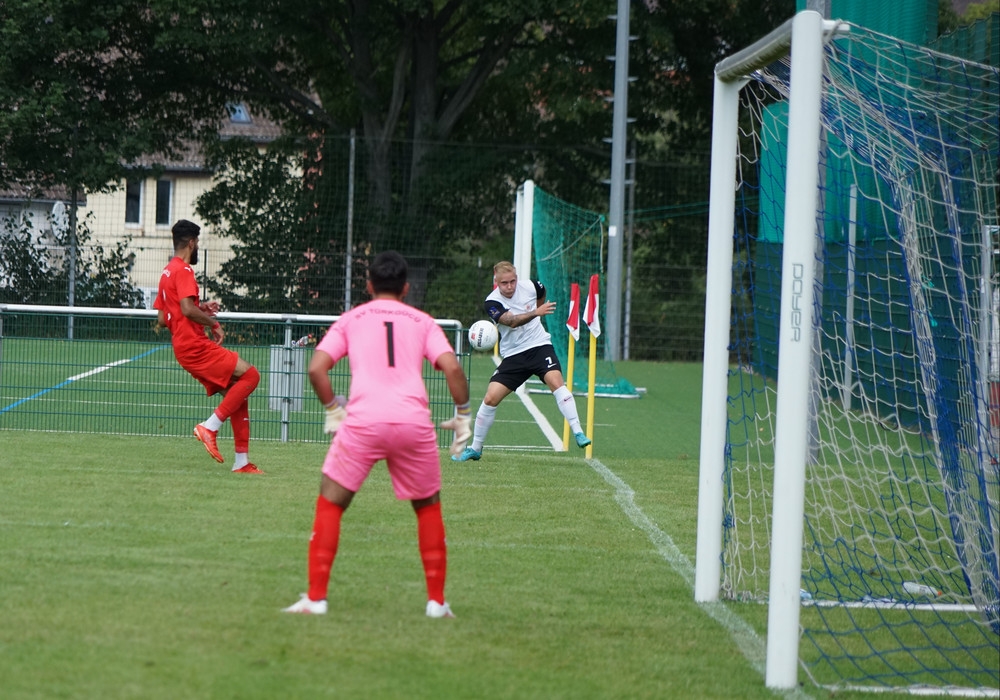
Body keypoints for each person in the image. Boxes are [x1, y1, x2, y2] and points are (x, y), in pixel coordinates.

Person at [282, 251, 472, 617]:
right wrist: (463, 416)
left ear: (369, 286)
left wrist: (334, 411)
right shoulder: (423, 321)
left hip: (364, 421)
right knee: (428, 507)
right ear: (406, 288)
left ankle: (316, 599)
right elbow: (452, 368)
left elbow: (317, 368)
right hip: (412, 422)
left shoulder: (352, 319)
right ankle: (436, 603)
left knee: (331, 502)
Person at [453, 260, 591, 462]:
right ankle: (475, 448)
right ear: (496, 282)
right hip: (514, 355)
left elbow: (541, 293)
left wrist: (537, 310)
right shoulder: (492, 303)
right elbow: (511, 322)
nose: (509, 287)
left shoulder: (532, 286)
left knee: (557, 382)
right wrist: (536, 312)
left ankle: (578, 432)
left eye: (512, 281)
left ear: (517, 278)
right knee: (490, 398)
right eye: (504, 283)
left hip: (539, 346)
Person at [154, 219, 263, 474]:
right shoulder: (184, 270)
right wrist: (213, 323)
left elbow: (162, 318)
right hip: (195, 346)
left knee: (237, 395)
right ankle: (209, 427)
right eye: (198, 242)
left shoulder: (167, 272)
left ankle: (242, 463)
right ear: (192, 243)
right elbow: (186, 309)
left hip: (183, 348)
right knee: (251, 375)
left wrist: (199, 308)